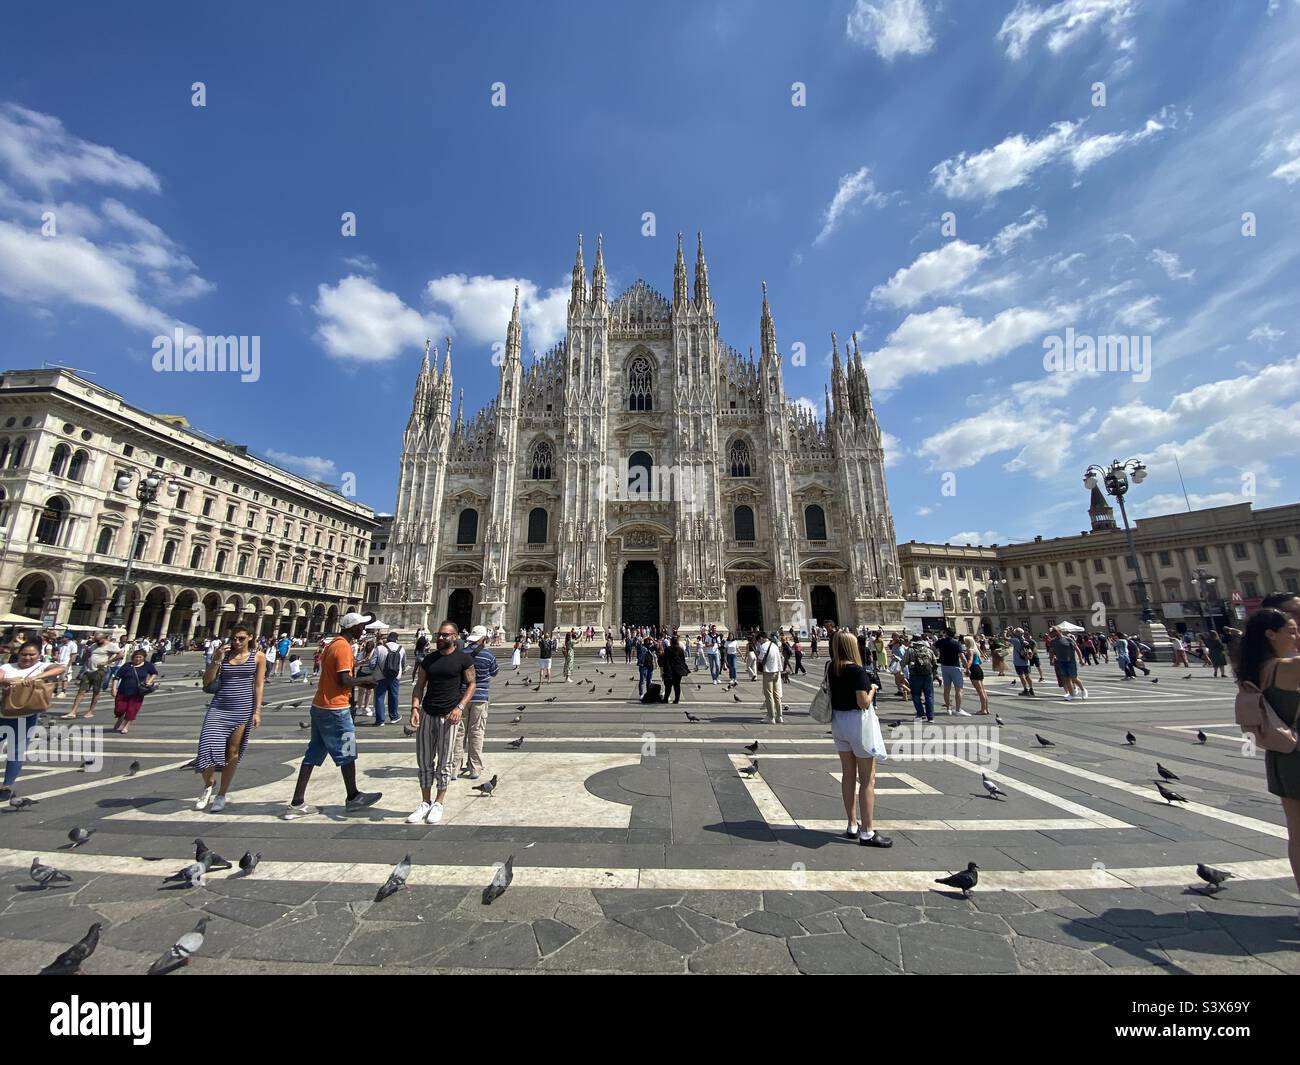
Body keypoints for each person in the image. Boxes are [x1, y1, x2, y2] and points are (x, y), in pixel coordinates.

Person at [1233, 606, 1300, 918]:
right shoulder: (1286, 668)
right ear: (1270, 635)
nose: (1297, 634)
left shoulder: (1254, 669)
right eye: (1291, 629)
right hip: (1296, 755)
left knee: (1297, 834)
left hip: (1282, 758)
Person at [281, 613, 382, 819]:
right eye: (361, 626)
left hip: (320, 706)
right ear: (352, 628)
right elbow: (344, 679)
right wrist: (366, 680)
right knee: (348, 750)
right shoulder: (343, 646)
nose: (363, 629)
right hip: (335, 709)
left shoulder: (332, 645)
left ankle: (297, 802)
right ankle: (353, 796)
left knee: (312, 754)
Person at [825, 631, 892, 848]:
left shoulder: (830, 668)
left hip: (838, 723)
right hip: (858, 726)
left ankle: (852, 825)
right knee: (867, 780)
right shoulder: (857, 670)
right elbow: (863, 703)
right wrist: (872, 689)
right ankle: (867, 832)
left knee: (847, 775)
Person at [408, 619, 476, 824]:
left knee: (445, 762)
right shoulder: (429, 660)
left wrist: (460, 707)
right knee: (424, 760)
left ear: (455, 637)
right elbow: (420, 685)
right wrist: (414, 707)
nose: (441, 637)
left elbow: (472, 683)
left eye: (445, 635)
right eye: (439, 634)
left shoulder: (464, 660)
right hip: (428, 713)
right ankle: (425, 802)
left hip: (449, 716)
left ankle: (439, 803)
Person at [194, 626, 265, 812]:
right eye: (234, 638)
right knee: (206, 746)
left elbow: (258, 685)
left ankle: (222, 794)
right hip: (219, 706)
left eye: (241, 638)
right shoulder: (223, 655)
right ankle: (209, 784)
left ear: (250, 637)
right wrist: (216, 659)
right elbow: (207, 681)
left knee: (232, 752)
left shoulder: (258, 657)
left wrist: (257, 711)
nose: (237, 642)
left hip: (242, 708)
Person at [0, 641, 66, 798]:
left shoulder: (42, 666)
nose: (27, 657)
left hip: (26, 717)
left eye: (32, 654)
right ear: (18, 654)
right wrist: (8, 681)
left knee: (16, 752)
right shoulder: (8, 667)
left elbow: (61, 668)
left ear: (39, 655)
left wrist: (36, 677)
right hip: (3, 715)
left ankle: (7, 786)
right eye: (24, 654)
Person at [455, 624, 497, 781]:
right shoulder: (488, 655)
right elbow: (494, 671)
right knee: (476, 732)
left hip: (462, 698)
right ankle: (474, 768)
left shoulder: (460, 654)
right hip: (480, 698)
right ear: (484, 639)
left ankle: (453, 768)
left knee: (459, 733)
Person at [62, 633, 121, 720]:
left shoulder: (111, 645)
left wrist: (107, 662)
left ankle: (90, 711)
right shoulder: (94, 645)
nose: (97, 642)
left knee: (96, 691)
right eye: (96, 640)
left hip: (100, 671)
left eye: (99, 640)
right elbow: (89, 652)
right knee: (81, 691)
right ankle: (73, 711)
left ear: (104, 638)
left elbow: (121, 654)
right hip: (89, 670)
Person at [111, 648, 158, 734]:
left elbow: (154, 673)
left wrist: (150, 681)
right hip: (123, 691)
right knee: (119, 709)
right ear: (133, 657)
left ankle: (126, 726)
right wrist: (114, 688)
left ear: (143, 658)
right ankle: (120, 717)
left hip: (137, 692)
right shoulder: (127, 666)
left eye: (140, 657)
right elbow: (116, 677)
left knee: (132, 710)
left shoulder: (147, 665)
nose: (138, 659)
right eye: (136, 657)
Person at [370, 633, 406, 726]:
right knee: (393, 696)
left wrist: (373, 670)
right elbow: (403, 664)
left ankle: (380, 720)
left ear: (387, 639)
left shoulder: (379, 648)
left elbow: (372, 663)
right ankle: (394, 717)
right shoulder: (401, 649)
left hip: (380, 676)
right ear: (396, 639)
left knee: (379, 697)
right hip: (395, 677)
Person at [903, 635, 937, 721]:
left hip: (915, 675)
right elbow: (934, 663)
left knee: (916, 695)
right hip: (927, 675)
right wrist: (933, 673)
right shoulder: (928, 650)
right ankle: (930, 717)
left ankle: (920, 713)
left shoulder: (910, 650)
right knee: (929, 695)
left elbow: (903, 663)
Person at [1049, 628, 1087, 701]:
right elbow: (1051, 651)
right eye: (1053, 632)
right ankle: (1071, 694)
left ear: (1060, 631)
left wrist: (1081, 659)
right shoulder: (1053, 641)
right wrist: (1051, 660)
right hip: (1061, 661)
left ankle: (1083, 690)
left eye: (1056, 631)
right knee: (1066, 679)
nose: (1054, 633)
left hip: (1071, 661)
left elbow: (1077, 649)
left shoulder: (1068, 639)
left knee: (1074, 678)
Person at [935, 628, 967, 715]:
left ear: (946, 633)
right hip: (955, 667)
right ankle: (958, 709)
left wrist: (938, 654)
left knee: (946, 688)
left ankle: (948, 709)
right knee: (959, 689)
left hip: (944, 667)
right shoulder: (956, 643)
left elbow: (932, 648)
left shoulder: (941, 641)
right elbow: (962, 657)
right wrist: (967, 668)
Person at [756, 632, 784, 723]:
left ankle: (771, 717)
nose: (759, 643)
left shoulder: (764, 646)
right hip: (777, 671)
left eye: (759, 640)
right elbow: (779, 658)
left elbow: (760, 659)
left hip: (768, 672)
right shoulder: (775, 645)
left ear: (761, 638)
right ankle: (779, 716)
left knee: (768, 695)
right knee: (777, 695)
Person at [962, 635, 989, 715]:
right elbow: (980, 661)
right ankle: (986, 708)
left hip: (973, 669)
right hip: (978, 668)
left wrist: (967, 669)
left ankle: (983, 709)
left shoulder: (970, 650)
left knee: (980, 691)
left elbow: (970, 661)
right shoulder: (975, 649)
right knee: (983, 690)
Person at [661, 634, 690, 704]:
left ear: (671, 642)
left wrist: (665, 671)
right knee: (677, 685)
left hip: (670, 670)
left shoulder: (668, 649)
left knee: (668, 686)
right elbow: (683, 660)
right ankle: (676, 700)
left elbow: (666, 661)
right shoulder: (680, 650)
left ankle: (665, 699)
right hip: (678, 671)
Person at [1010, 628, 1035, 696]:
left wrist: (1005, 631)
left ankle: (1025, 690)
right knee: (1027, 675)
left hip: (1018, 662)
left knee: (1021, 676)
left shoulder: (1015, 640)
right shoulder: (1025, 640)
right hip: (1026, 661)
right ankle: (1031, 689)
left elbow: (1005, 638)